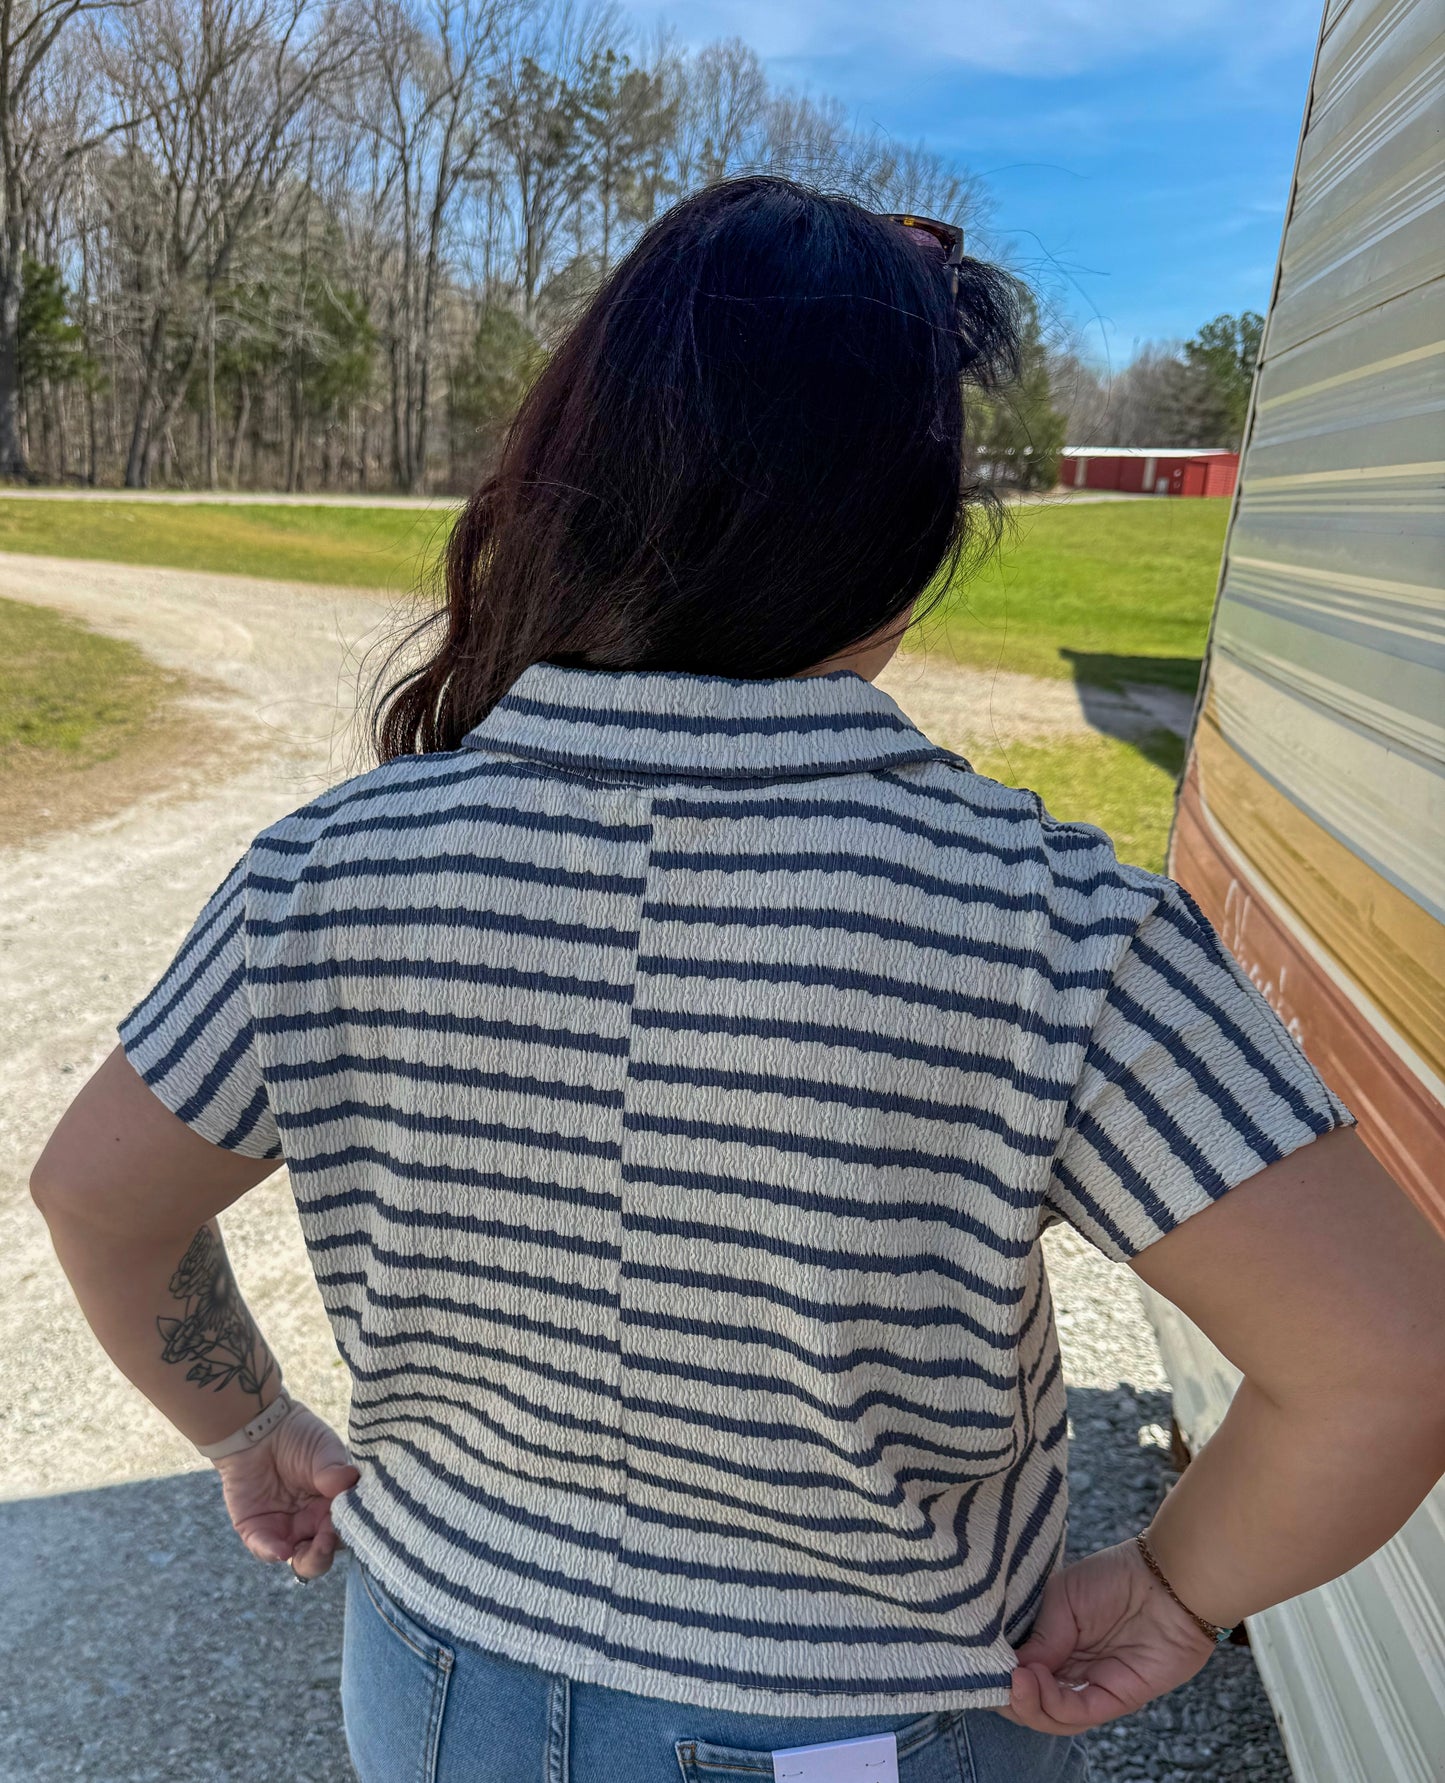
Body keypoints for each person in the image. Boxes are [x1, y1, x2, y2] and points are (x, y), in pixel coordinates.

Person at [31, 175, 1445, 1783]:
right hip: (857, 1724)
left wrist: (246, 1426)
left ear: (567, 493)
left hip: (435, 1681)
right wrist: (1175, 1594)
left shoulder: (329, 869)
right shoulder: (1048, 924)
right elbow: (1385, 1361)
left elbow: (96, 1196)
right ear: (910, 545)